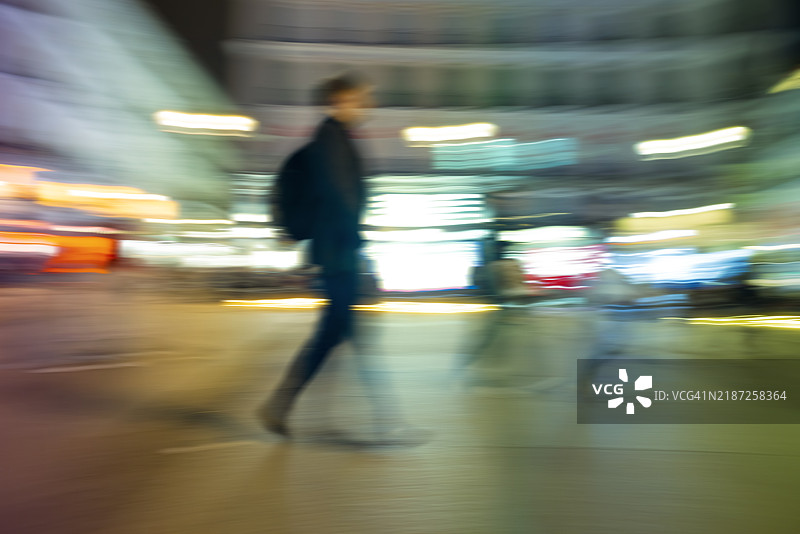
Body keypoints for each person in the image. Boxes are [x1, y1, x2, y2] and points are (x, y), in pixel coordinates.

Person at [258, 73, 374, 437]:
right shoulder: (331, 139)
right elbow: (340, 198)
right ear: (340, 101)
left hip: (338, 249)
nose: (365, 104)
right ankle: (282, 405)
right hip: (336, 250)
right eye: (360, 98)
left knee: (341, 331)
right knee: (336, 332)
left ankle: (283, 405)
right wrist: (357, 243)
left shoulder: (337, 138)